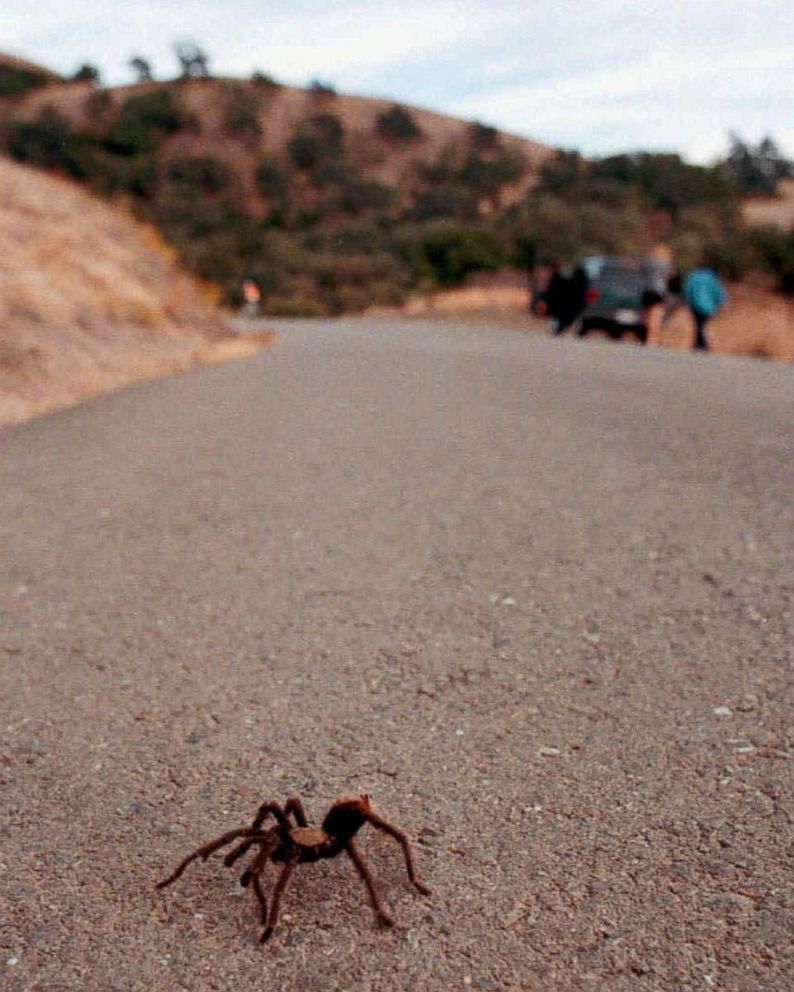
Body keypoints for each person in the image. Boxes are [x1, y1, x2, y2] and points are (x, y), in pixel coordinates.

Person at [683, 263, 727, 351]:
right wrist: (722, 302)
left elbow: (687, 289)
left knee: (698, 324)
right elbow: (718, 291)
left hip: (695, 305)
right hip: (709, 306)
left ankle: (700, 343)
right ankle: (700, 344)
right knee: (701, 325)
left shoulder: (693, 277)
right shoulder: (713, 278)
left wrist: (686, 301)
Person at [537, 260, 588, 335]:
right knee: (566, 317)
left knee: (566, 317)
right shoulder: (561, 278)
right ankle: (561, 328)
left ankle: (560, 328)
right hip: (568, 304)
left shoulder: (559, 278)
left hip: (569, 304)